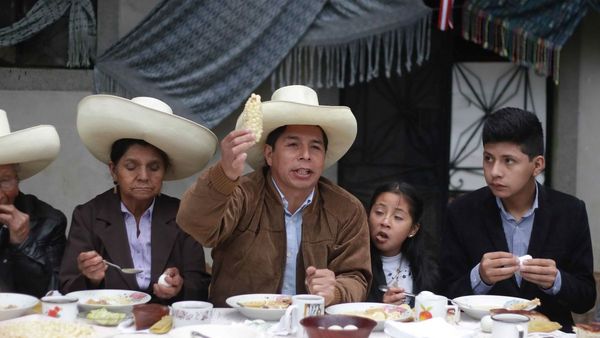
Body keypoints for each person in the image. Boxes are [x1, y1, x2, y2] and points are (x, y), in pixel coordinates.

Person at [177, 85, 371, 307]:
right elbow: (193, 222)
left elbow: (356, 277)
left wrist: (335, 292)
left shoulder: (346, 208)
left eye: (315, 147)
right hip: (238, 324)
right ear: (269, 154)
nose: (305, 155)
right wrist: (223, 175)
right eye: (293, 145)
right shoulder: (242, 193)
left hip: (310, 324)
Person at [441, 107, 595, 330]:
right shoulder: (462, 211)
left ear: (537, 165)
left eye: (508, 161)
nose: (494, 171)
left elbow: (586, 298)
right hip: (481, 332)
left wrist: (556, 280)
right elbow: (444, 294)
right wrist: (480, 277)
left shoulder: (570, 212)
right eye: (488, 158)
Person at [59, 95, 216, 304]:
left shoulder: (182, 215)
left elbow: (199, 284)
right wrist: (91, 279)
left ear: (165, 172)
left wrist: (179, 287)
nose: (143, 176)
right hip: (108, 322)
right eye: (131, 167)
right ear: (114, 170)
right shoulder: (88, 216)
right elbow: (67, 287)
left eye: (154, 167)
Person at [0, 109, 66, 298]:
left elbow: (53, 293)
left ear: (17, 180)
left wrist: (23, 243)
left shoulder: (49, 221)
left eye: (4, 180)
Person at [366, 181, 439, 305]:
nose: (385, 222)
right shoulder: (355, 263)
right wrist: (381, 308)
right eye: (379, 212)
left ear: (413, 229)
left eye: (398, 217)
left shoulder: (427, 267)